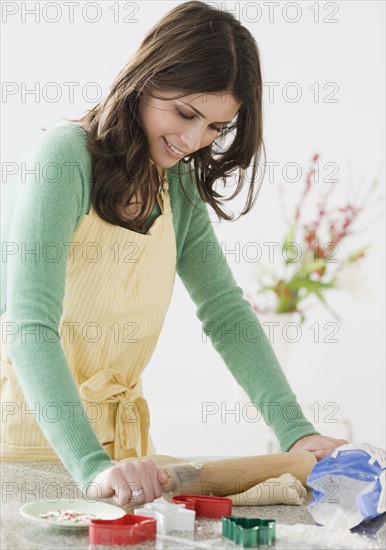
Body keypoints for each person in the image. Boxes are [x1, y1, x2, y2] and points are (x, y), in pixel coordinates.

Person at [0, 0, 347, 508]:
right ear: (145, 77)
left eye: (214, 127)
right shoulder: (64, 157)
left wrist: (296, 433)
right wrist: (92, 466)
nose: (193, 140)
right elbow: (28, 323)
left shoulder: (177, 186)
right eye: (185, 113)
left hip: (126, 458)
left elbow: (226, 312)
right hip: (27, 448)